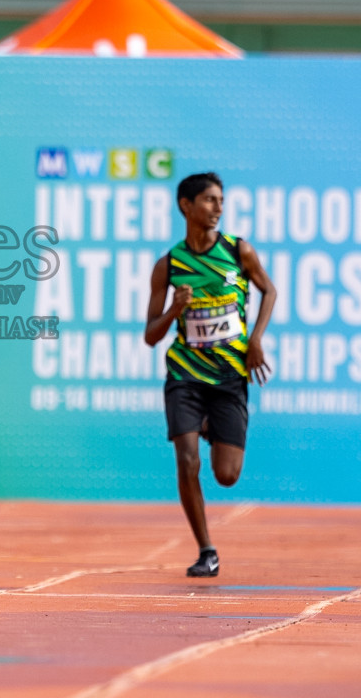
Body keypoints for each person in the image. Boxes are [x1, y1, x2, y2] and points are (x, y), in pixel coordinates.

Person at [143, 172, 276, 578]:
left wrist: (256, 340)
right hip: (185, 374)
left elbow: (268, 290)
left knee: (227, 475)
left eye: (221, 200)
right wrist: (174, 310)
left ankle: (207, 425)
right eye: (209, 200)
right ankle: (207, 550)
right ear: (186, 205)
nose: (218, 208)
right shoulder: (169, 265)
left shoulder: (239, 252)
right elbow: (151, 336)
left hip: (229, 377)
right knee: (186, 461)